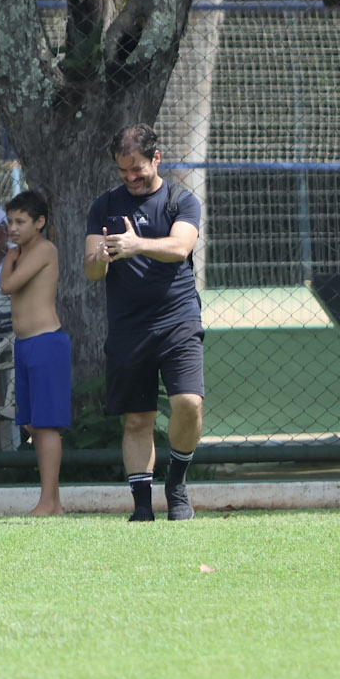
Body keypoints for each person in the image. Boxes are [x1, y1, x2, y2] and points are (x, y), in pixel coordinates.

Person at [84, 123, 204, 522]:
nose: (130, 178)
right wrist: (100, 257)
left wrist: (136, 245)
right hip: (128, 327)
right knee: (137, 418)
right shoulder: (104, 206)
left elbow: (180, 247)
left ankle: (177, 484)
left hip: (178, 320)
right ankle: (141, 506)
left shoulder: (180, 200)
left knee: (189, 403)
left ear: (156, 159)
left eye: (137, 169)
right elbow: (91, 273)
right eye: (123, 171)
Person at [0, 189, 69, 516]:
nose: (12, 228)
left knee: (46, 424)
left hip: (46, 343)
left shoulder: (43, 250)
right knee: (31, 424)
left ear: (39, 222)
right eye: (10, 221)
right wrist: (13, 256)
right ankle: (52, 502)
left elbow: (8, 285)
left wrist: (9, 259)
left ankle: (48, 502)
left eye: (20, 221)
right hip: (25, 344)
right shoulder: (21, 253)